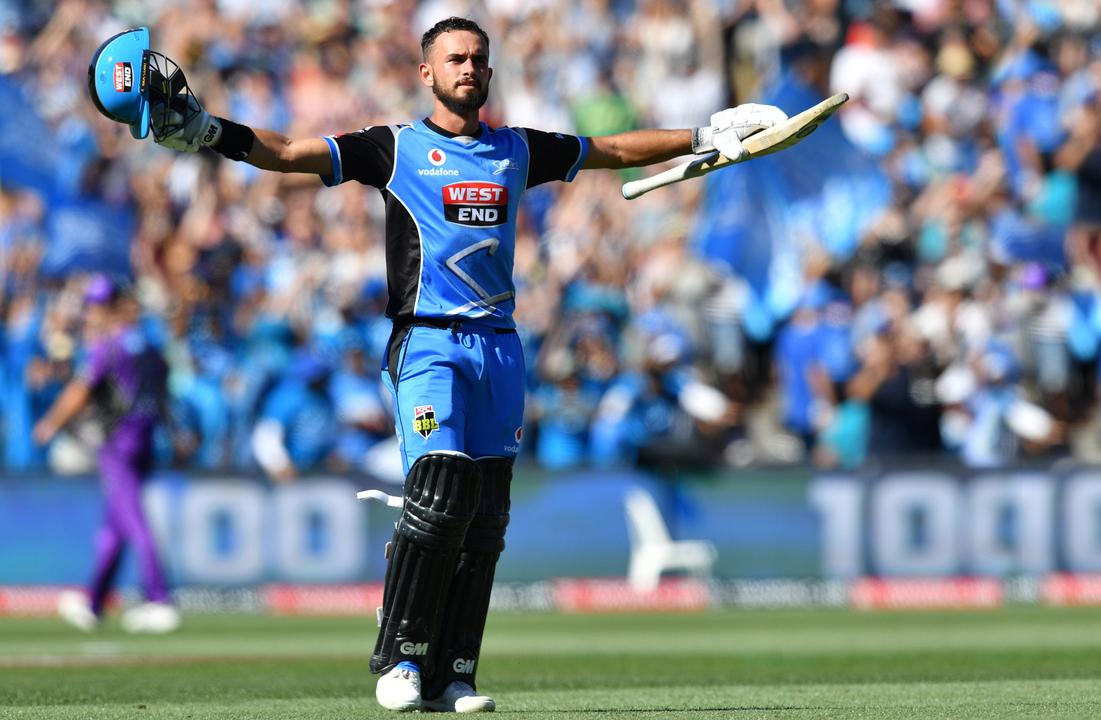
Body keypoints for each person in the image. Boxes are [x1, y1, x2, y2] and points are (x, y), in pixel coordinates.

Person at [113, 17, 788, 712]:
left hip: (500, 348)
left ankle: (453, 672)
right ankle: (401, 659)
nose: (468, 67)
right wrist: (208, 130)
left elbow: (613, 148)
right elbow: (286, 151)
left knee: (485, 520)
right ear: (426, 74)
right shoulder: (393, 149)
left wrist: (705, 137)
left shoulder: (516, 150)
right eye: (454, 58)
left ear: (489, 74)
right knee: (437, 494)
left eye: (478, 58)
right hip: (429, 343)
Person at [32, 275, 180, 634]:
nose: (90, 314)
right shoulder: (149, 343)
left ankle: (159, 599)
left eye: (95, 307)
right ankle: (94, 602)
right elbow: (162, 387)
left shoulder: (109, 345)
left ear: (111, 308)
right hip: (144, 437)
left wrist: (50, 424)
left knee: (133, 520)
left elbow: (81, 389)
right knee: (116, 526)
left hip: (118, 441)